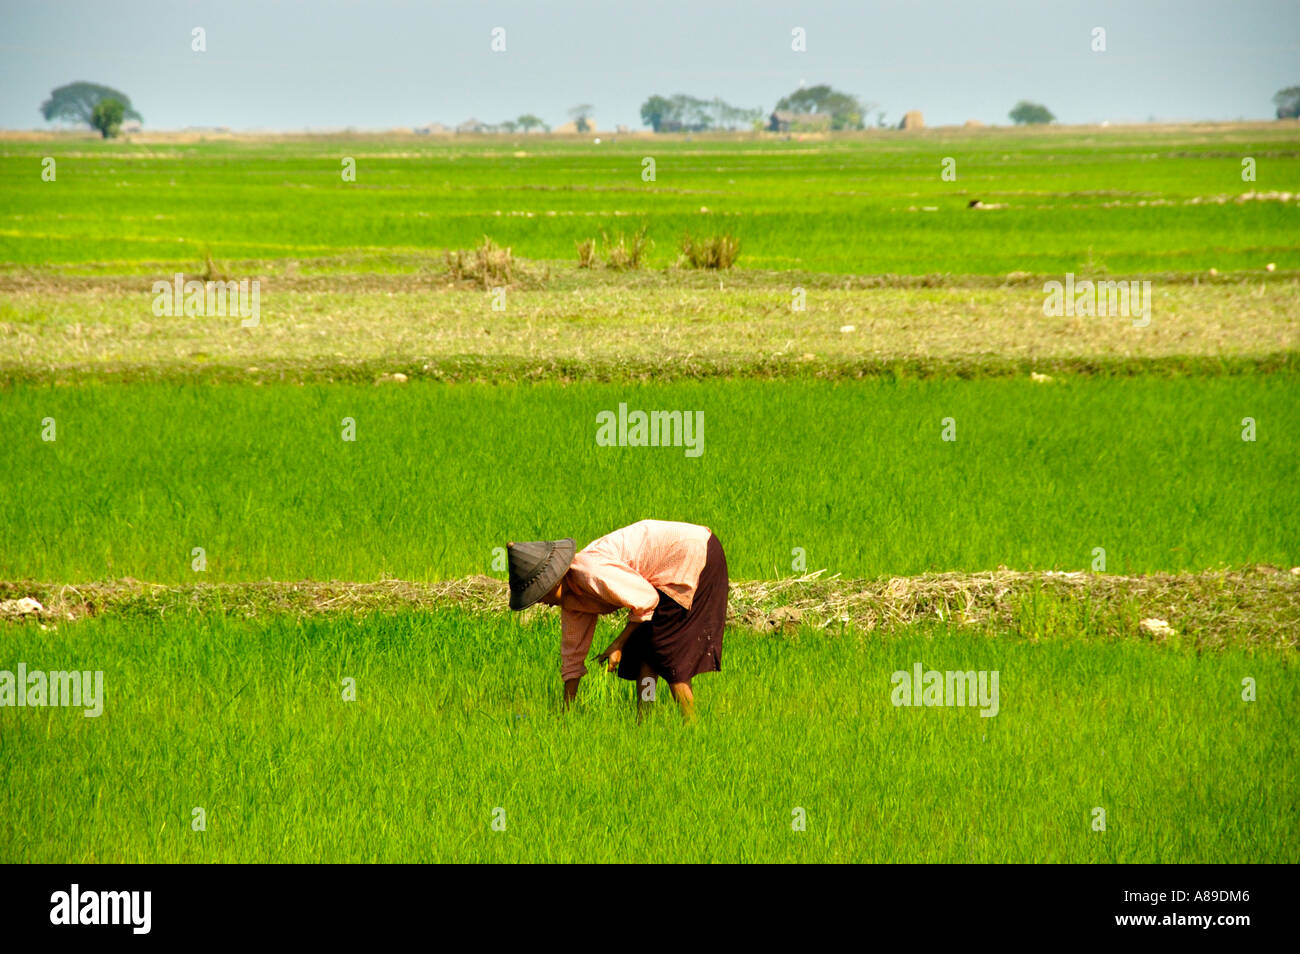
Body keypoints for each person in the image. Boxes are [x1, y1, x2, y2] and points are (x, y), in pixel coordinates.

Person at [506, 519, 728, 720]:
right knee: (646, 654)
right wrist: (567, 714)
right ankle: (645, 721)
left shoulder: (590, 574)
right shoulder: (572, 600)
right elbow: (572, 657)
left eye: (539, 594)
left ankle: (691, 724)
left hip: (693, 556)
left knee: (667, 653)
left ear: (553, 582)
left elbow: (646, 599)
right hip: (663, 571)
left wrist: (618, 644)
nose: (540, 602)